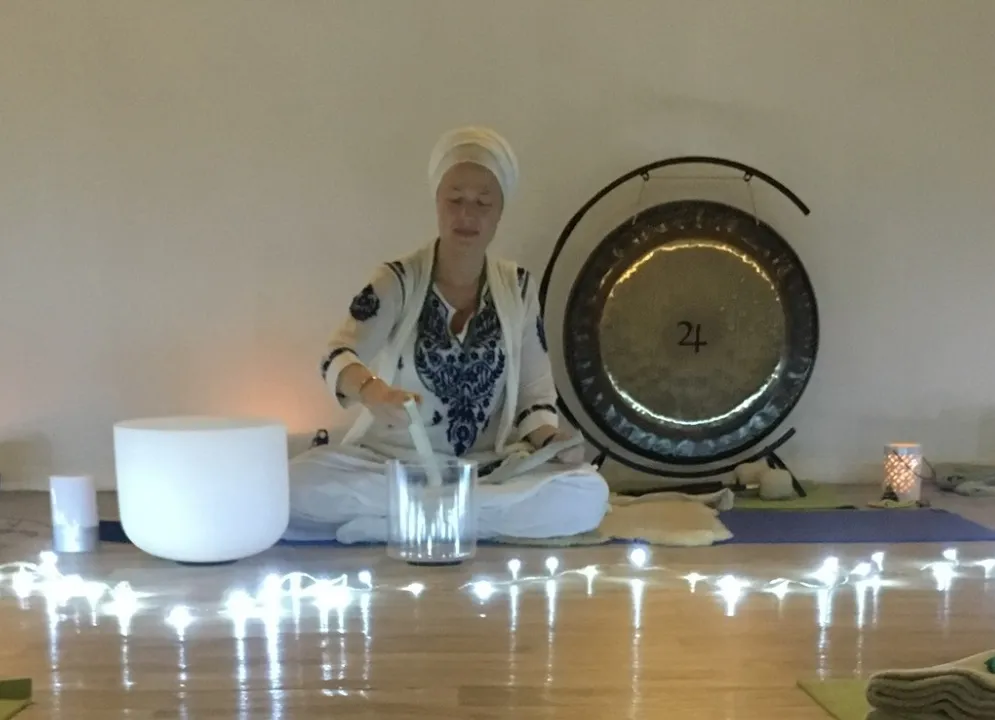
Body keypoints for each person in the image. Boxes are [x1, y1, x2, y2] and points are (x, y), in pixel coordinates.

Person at [286, 126, 610, 544]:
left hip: (486, 470)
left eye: (483, 203)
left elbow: (534, 395)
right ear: (437, 202)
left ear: (499, 213)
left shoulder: (519, 288)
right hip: (391, 465)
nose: (467, 215)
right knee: (296, 487)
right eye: (455, 199)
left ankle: (402, 521)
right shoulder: (397, 280)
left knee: (586, 492)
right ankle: (457, 518)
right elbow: (337, 355)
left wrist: (552, 441)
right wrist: (371, 391)